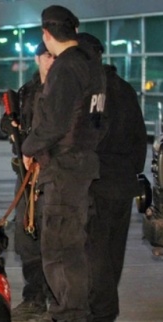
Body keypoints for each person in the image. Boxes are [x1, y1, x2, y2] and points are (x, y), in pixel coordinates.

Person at [20, 5, 106, 322]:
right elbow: (98, 121)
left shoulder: (66, 68)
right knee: (72, 246)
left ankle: (67, 313)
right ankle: (72, 310)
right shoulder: (92, 66)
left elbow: (54, 123)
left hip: (63, 168)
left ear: (47, 34)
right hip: (83, 164)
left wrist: (29, 148)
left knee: (59, 248)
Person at [78, 32, 148, 322]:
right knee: (112, 252)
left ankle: (102, 312)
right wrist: (130, 172)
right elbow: (139, 138)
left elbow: (86, 138)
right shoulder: (125, 89)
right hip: (122, 183)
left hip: (96, 183)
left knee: (94, 254)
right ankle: (105, 309)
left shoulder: (89, 92)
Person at [1, 41, 55, 321]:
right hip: (25, 178)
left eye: (55, 55)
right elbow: (7, 121)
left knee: (54, 239)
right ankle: (34, 298)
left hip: (54, 175)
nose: (51, 60)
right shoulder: (27, 91)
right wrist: (10, 127)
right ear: (37, 59)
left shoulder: (66, 89)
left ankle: (57, 301)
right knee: (26, 239)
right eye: (46, 55)